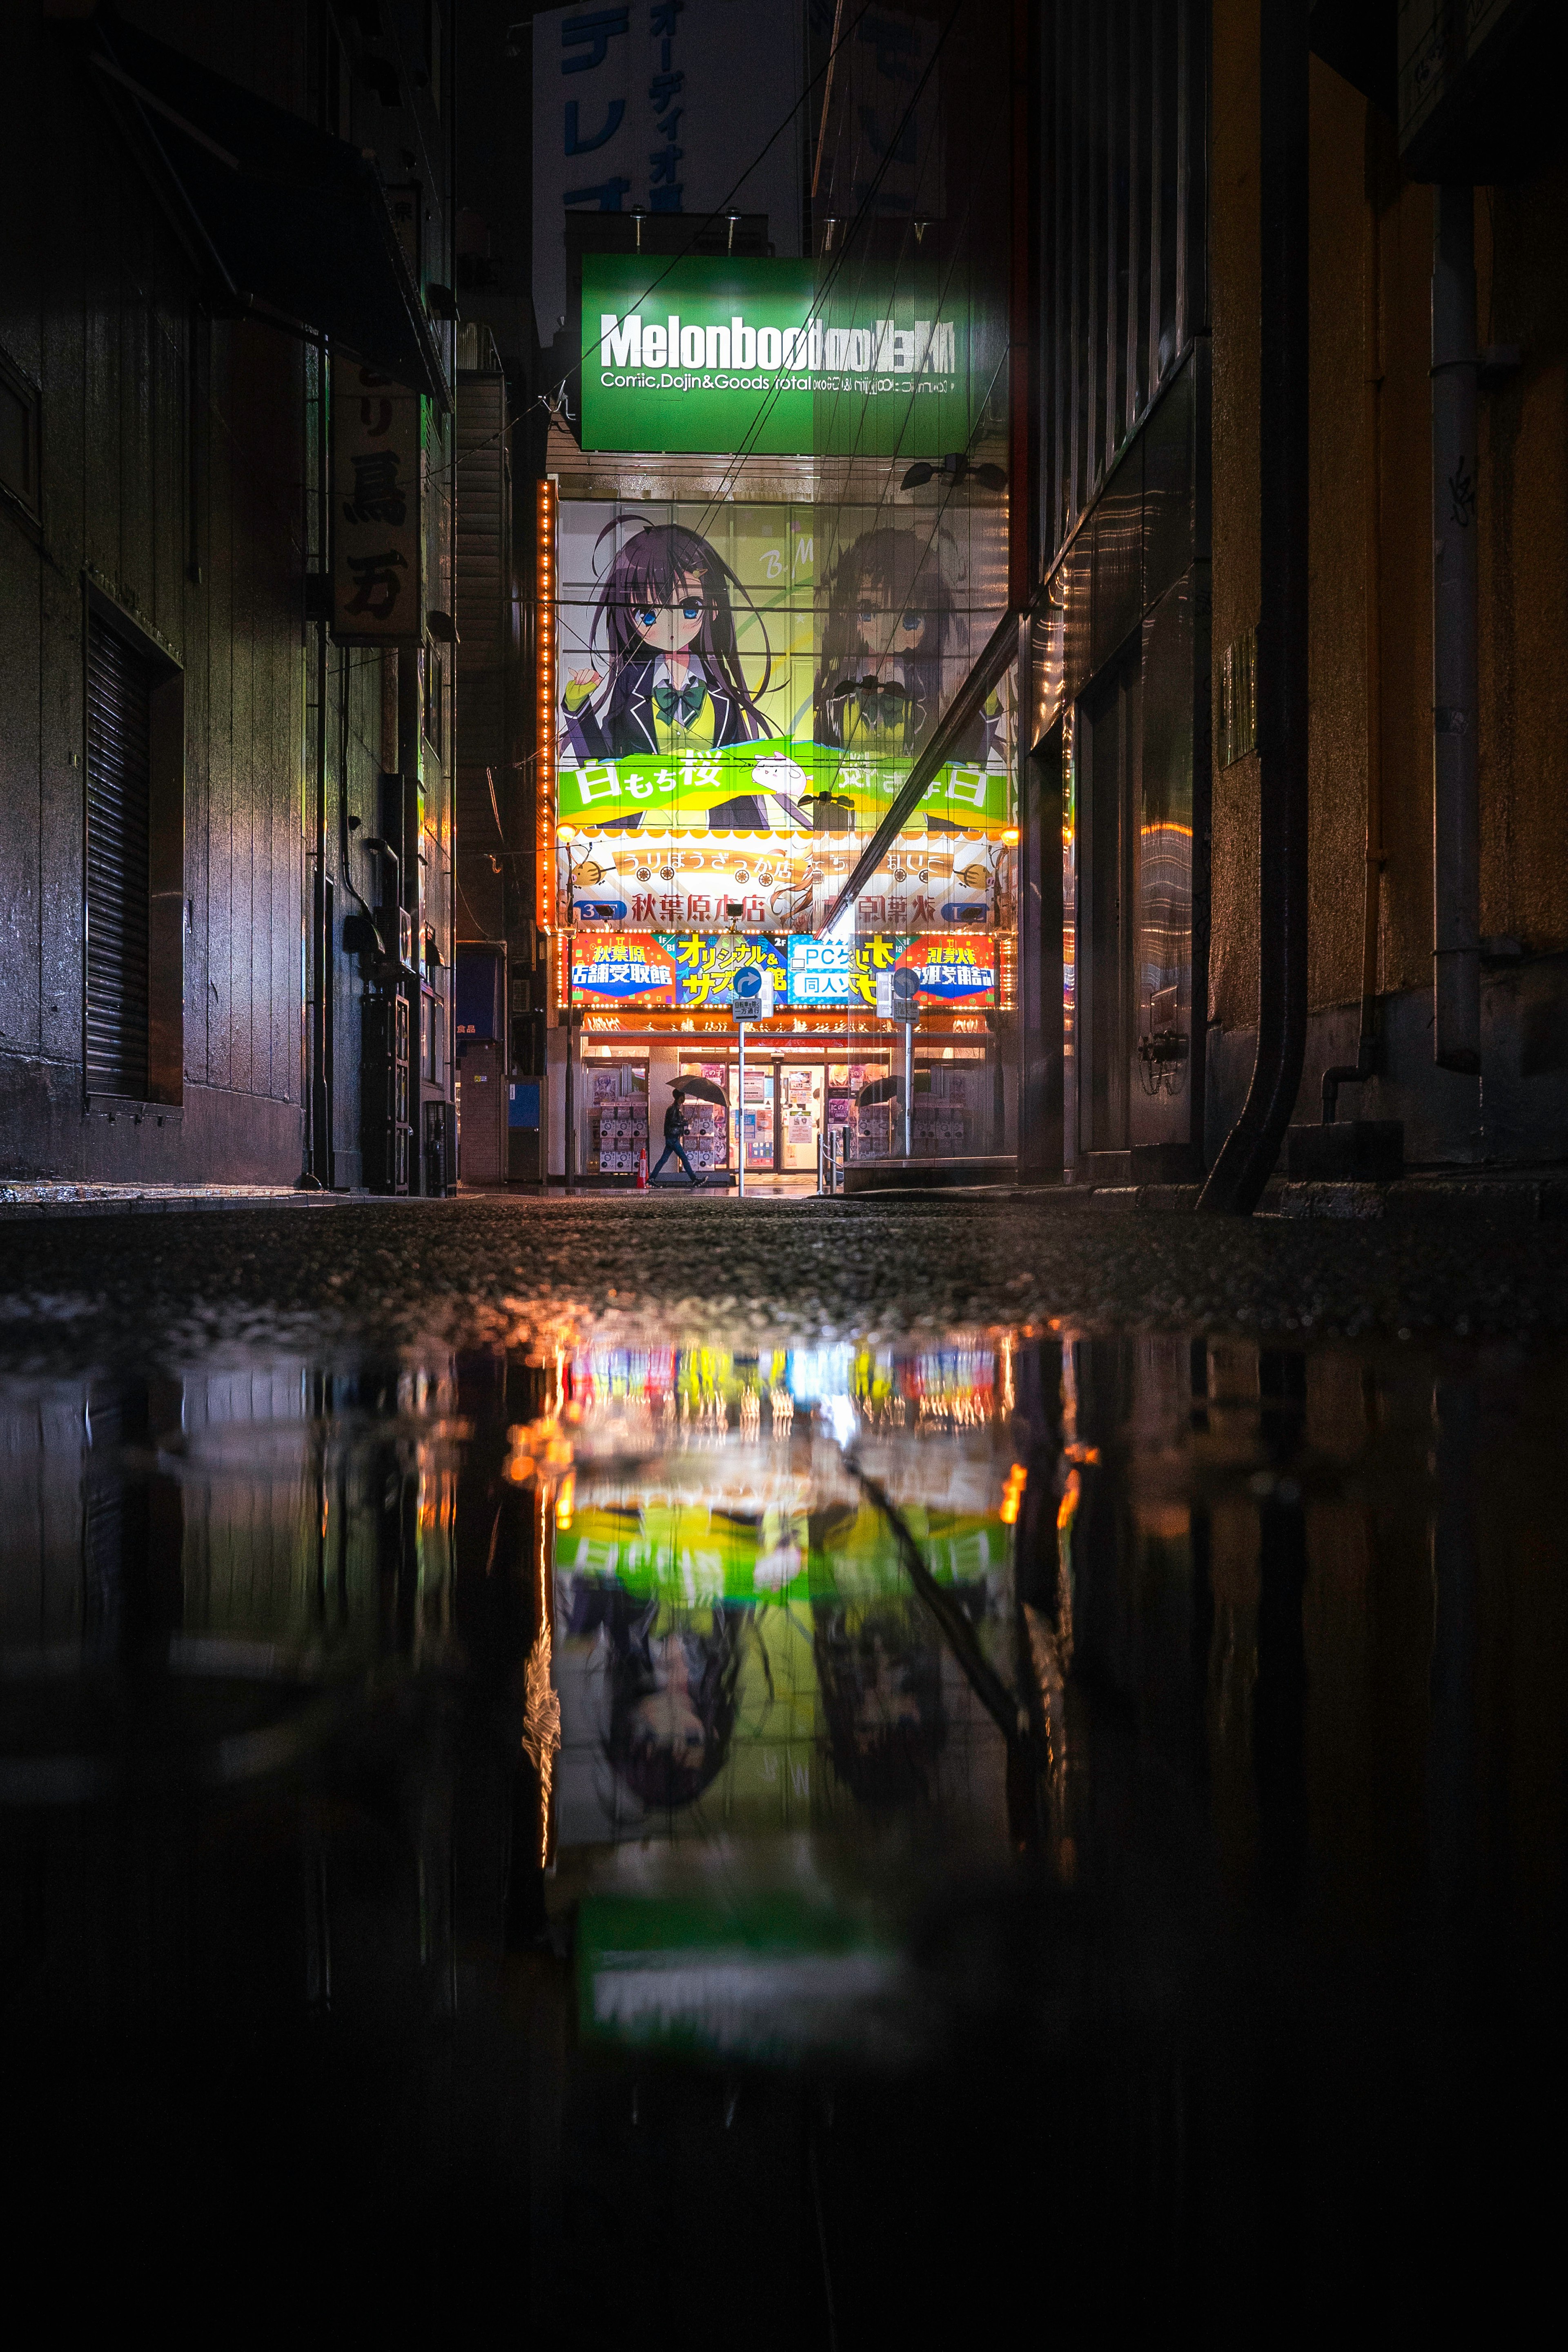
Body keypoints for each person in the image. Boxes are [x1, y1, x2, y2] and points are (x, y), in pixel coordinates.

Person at [650, 1086, 702, 1186]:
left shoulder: (676, 1108)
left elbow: (676, 1121)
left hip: (672, 1138)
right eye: (683, 1096)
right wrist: (686, 1123)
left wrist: (685, 1121)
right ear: (680, 1098)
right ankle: (694, 1180)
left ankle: (652, 1179)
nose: (685, 1098)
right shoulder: (673, 1109)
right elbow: (673, 1122)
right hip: (673, 1139)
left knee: (663, 1159)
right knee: (684, 1158)